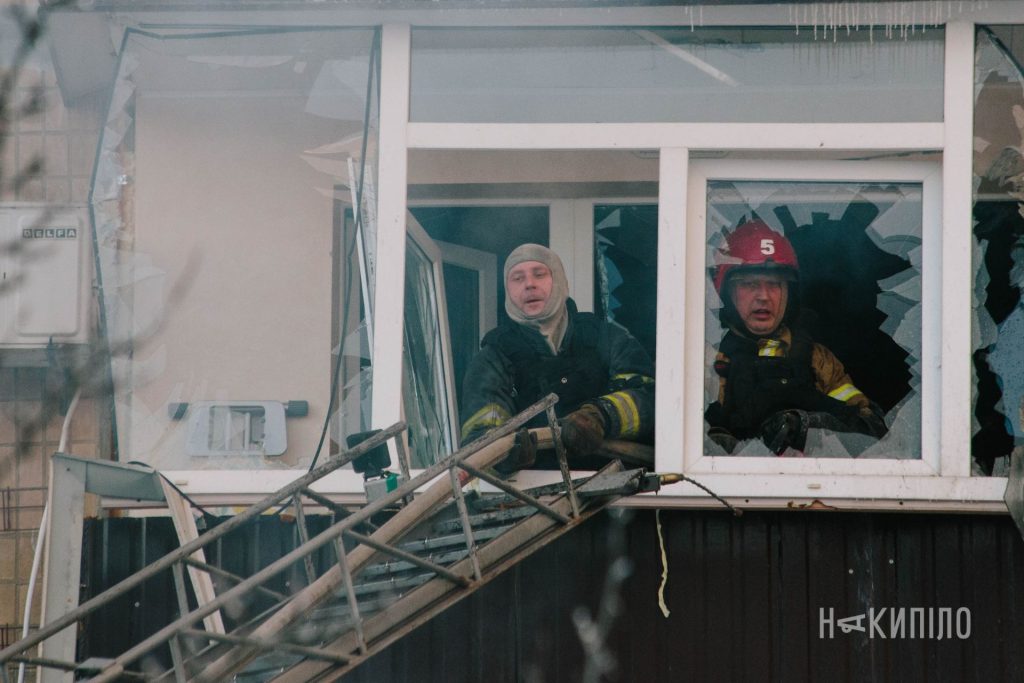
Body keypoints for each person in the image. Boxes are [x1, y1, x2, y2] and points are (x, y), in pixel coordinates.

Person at [460, 243, 654, 473]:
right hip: (532, 497)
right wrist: (506, 451)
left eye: (539, 274)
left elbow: (649, 400)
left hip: (618, 494)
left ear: (560, 281)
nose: (529, 284)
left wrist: (601, 416)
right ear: (508, 290)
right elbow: (479, 440)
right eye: (517, 278)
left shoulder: (607, 338)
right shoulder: (494, 356)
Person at [705, 219, 887, 456]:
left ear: (788, 293)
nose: (763, 296)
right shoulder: (707, 360)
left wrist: (809, 425)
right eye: (749, 284)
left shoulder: (818, 360)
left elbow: (873, 431)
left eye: (774, 285)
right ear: (727, 293)